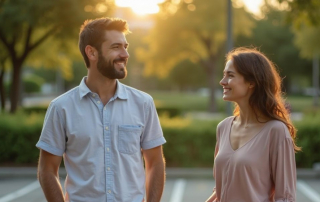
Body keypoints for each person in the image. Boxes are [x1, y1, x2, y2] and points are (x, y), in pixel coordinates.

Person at [36, 17, 166, 202]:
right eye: (116, 47)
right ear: (92, 52)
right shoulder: (61, 108)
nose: (125, 54)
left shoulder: (143, 103)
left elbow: (155, 163)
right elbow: (47, 170)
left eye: (125, 46)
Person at [206, 47, 299, 202]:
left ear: (251, 82)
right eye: (224, 75)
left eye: (230, 75)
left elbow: (286, 197)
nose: (222, 82)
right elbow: (220, 192)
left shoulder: (276, 131)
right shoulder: (223, 127)